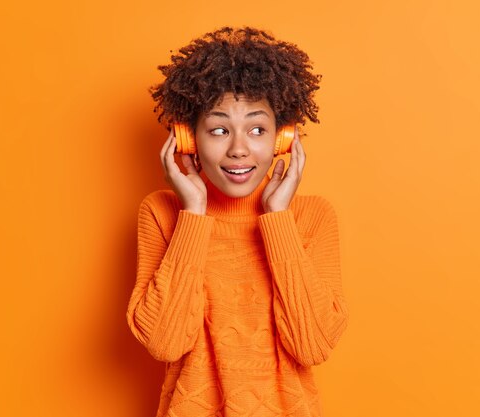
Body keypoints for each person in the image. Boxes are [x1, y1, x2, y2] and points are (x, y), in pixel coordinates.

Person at [127, 26, 348, 417]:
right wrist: (192, 213)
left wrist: (277, 217)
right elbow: (165, 342)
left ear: (283, 138)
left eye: (257, 129)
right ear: (188, 138)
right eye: (218, 130)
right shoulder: (162, 213)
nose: (239, 149)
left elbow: (312, 345)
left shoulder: (311, 217)